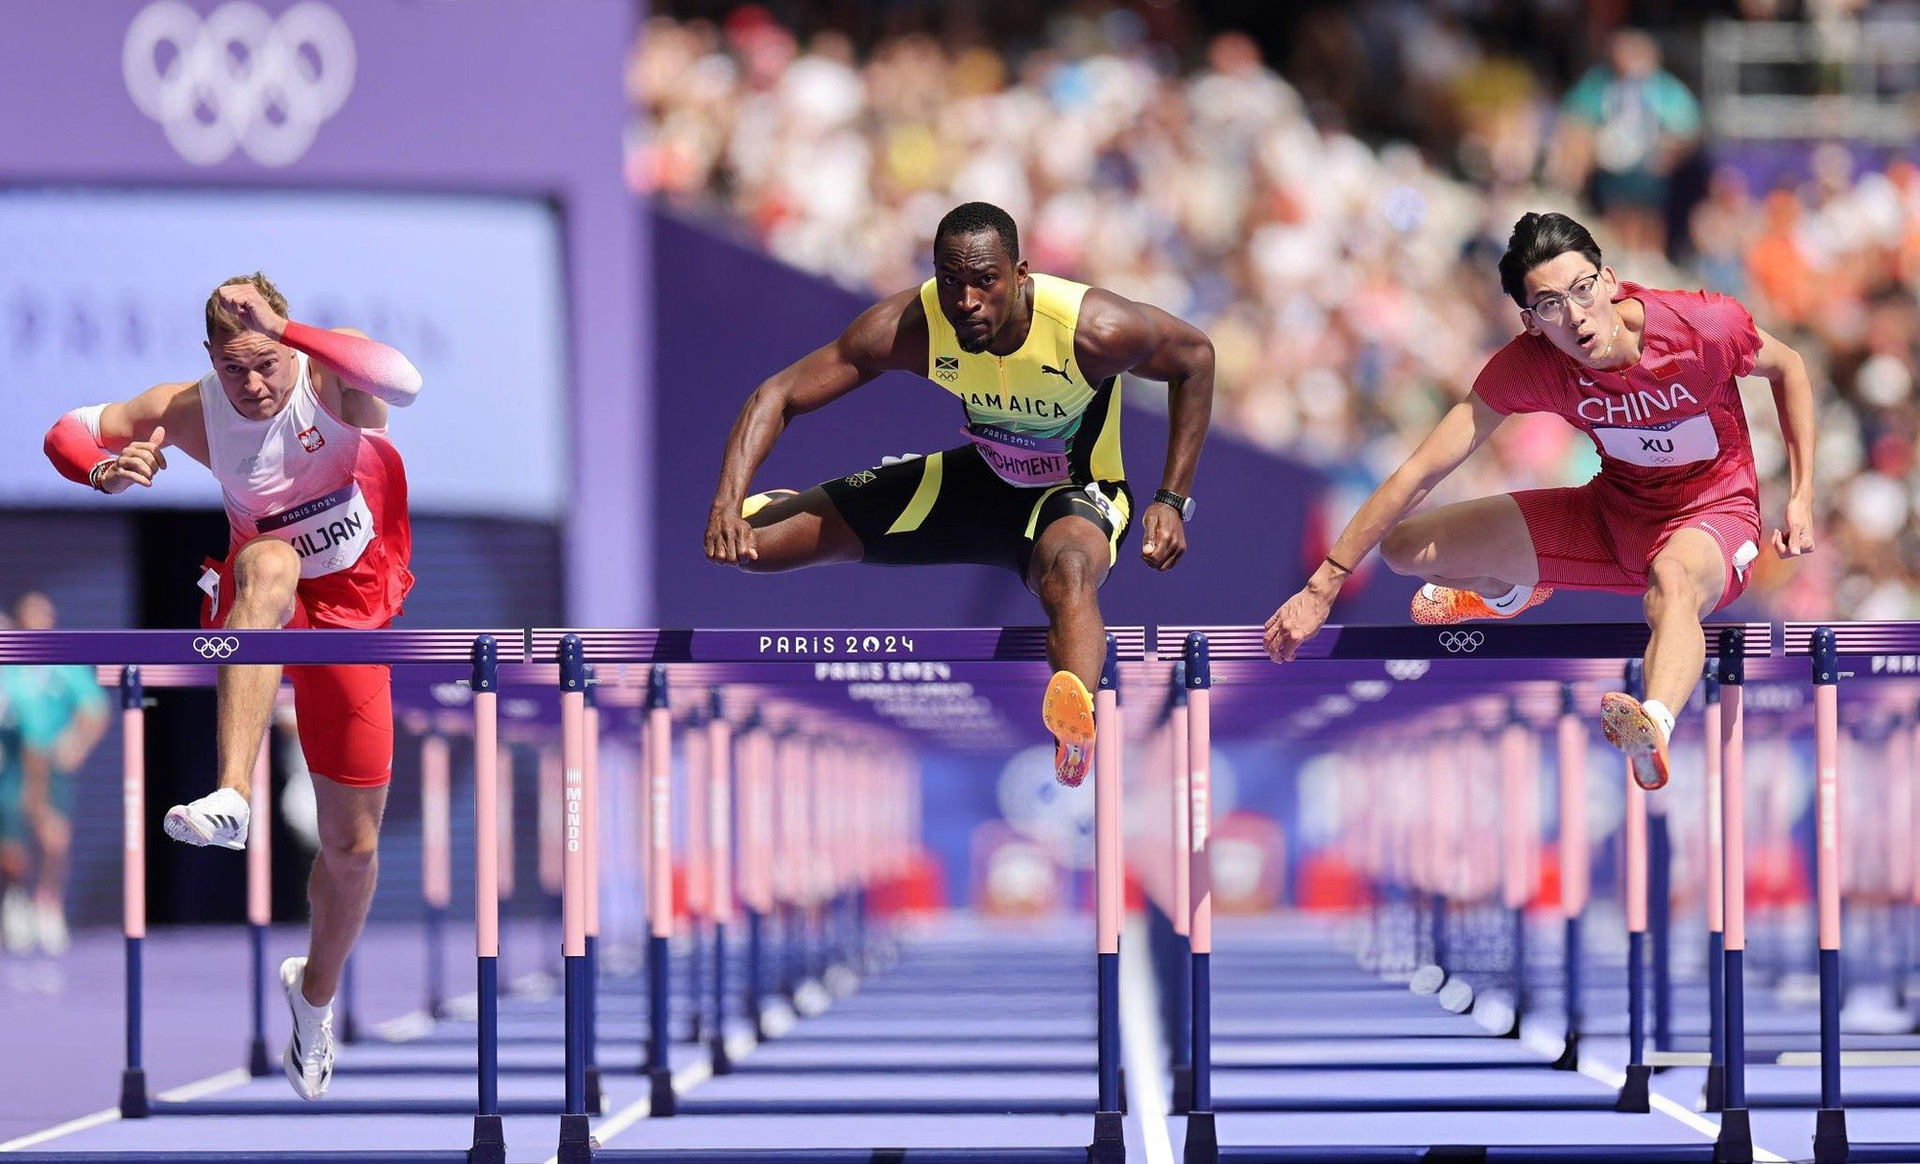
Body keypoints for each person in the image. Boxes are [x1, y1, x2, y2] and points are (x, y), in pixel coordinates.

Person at [1264, 212, 1816, 791]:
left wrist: (1801, 495)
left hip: (1714, 515)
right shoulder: (1532, 366)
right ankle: (1511, 592)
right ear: (1530, 322)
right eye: (1551, 305)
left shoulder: (1702, 325)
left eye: (1582, 289)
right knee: (1406, 549)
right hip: (1612, 515)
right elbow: (1421, 469)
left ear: (1608, 280)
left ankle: (1651, 726)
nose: (1575, 316)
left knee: (1673, 578)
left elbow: (1790, 368)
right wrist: (1323, 584)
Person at [41, 273, 421, 1099]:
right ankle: (230, 796)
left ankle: (313, 994)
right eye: (234, 369)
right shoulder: (192, 406)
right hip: (263, 589)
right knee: (270, 562)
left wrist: (292, 330)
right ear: (210, 358)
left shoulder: (327, 375)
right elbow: (67, 433)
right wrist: (102, 473)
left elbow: (402, 380)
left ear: (288, 344)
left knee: (353, 852)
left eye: (264, 365)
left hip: (356, 604)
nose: (252, 387)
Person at [704, 202, 1215, 786]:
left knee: (1068, 570)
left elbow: (1195, 358)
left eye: (985, 281)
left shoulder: (1092, 329)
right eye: (950, 281)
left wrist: (1172, 499)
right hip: (977, 483)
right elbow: (779, 394)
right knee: (754, 549)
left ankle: (1076, 727)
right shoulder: (913, 326)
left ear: (1021, 276)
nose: (966, 301)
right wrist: (726, 503)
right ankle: (779, 506)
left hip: (1074, 494)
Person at [0, 593, 109, 957]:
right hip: (13, 766)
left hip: (51, 767)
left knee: (54, 839)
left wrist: (74, 745)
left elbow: (95, 709)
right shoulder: (7, 667)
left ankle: (47, 905)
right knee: (12, 848)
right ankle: (15, 902)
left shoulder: (66, 666)